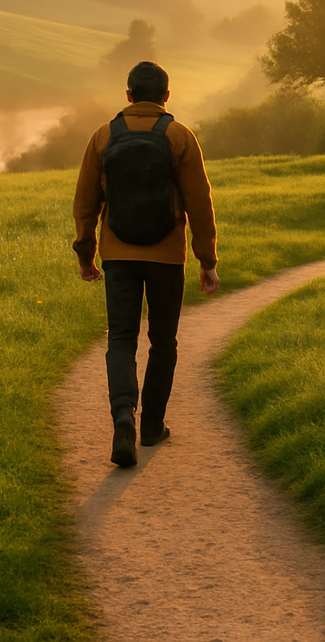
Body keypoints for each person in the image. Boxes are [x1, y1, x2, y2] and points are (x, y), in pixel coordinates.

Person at [72, 60, 219, 467]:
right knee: (163, 341)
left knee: (121, 339)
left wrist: (86, 254)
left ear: (128, 96)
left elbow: (85, 203)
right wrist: (206, 259)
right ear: (166, 96)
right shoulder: (180, 136)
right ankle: (152, 426)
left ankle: (123, 419)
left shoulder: (103, 136)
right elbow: (199, 202)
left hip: (118, 255)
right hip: (167, 256)